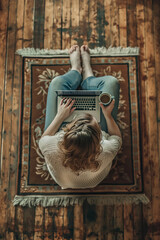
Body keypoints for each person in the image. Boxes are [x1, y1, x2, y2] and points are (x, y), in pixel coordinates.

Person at [38, 45, 122, 189]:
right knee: (112, 83)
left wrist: (60, 116)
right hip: (93, 179)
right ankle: (88, 76)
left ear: (66, 133)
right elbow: (117, 137)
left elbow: (44, 137)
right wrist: (107, 116)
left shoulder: (51, 147)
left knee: (56, 83)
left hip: (64, 181)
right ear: (98, 140)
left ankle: (76, 70)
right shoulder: (106, 150)